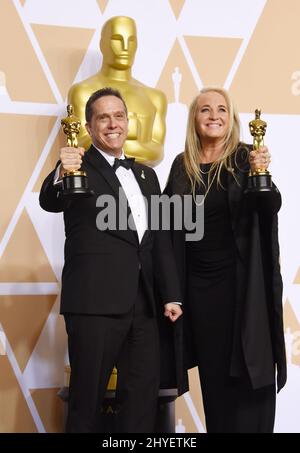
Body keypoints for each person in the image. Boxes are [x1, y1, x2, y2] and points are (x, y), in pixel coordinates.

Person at [39, 87, 183, 433]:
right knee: (87, 402)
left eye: (119, 115)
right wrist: (62, 170)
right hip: (94, 305)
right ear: (89, 127)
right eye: (103, 117)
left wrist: (171, 293)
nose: (113, 124)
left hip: (144, 305)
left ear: (128, 122)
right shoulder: (78, 167)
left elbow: (158, 238)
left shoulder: (147, 175)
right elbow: (50, 200)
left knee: (141, 402)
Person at [164, 87, 286, 433]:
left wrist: (263, 177)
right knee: (215, 382)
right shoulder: (180, 165)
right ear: (194, 119)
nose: (213, 115)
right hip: (201, 293)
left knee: (252, 373)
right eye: (205, 110)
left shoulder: (247, 157)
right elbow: (166, 227)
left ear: (231, 119)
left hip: (243, 287)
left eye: (221, 109)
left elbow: (270, 205)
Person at [68, 16, 167, 165]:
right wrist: (137, 143)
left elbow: (157, 151)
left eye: (131, 40)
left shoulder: (155, 97)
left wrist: (110, 141)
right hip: (96, 182)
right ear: (103, 44)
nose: (125, 47)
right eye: (117, 39)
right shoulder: (82, 91)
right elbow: (80, 145)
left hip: (143, 183)